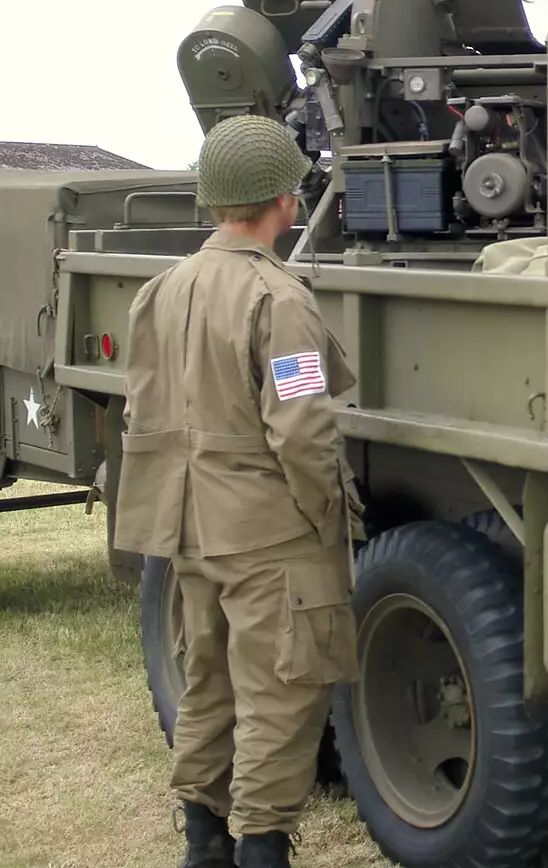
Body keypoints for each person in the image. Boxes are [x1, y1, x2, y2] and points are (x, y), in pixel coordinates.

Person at [114, 114, 362, 868]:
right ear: (284, 200)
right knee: (282, 695)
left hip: (188, 527)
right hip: (268, 533)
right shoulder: (278, 299)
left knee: (207, 685)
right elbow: (303, 429)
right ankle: (261, 848)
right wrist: (329, 517)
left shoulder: (161, 290)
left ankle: (203, 844)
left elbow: (141, 407)